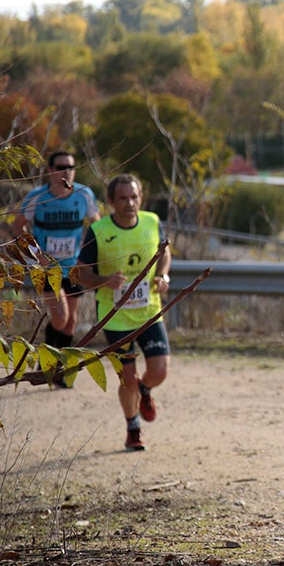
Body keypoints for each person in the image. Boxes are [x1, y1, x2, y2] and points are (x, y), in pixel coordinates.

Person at [75, 174, 172, 452]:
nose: (129, 203)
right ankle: (133, 428)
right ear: (110, 202)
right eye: (123, 198)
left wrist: (163, 275)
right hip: (115, 316)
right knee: (127, 378)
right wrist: (105, 280)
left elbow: (164, 252)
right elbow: (81, 274)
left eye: (134, 197)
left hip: (149, 312)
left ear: (140, 198)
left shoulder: (152, 221)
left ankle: (145, 391)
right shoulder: (99, 230)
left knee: (159, 371)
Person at [12, 151, 101, 387]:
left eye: (71, 167)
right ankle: (47, 364)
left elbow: (98, 227)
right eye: (61, 167)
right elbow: (17, 227)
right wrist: (35, 253)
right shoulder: (37, 197)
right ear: (50, 170)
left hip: (73, 268)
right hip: (47, 269)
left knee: (71, 322)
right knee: (60, 319)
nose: (66, 172)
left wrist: (90, 254)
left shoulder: (84, 195)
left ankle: (58, 371)